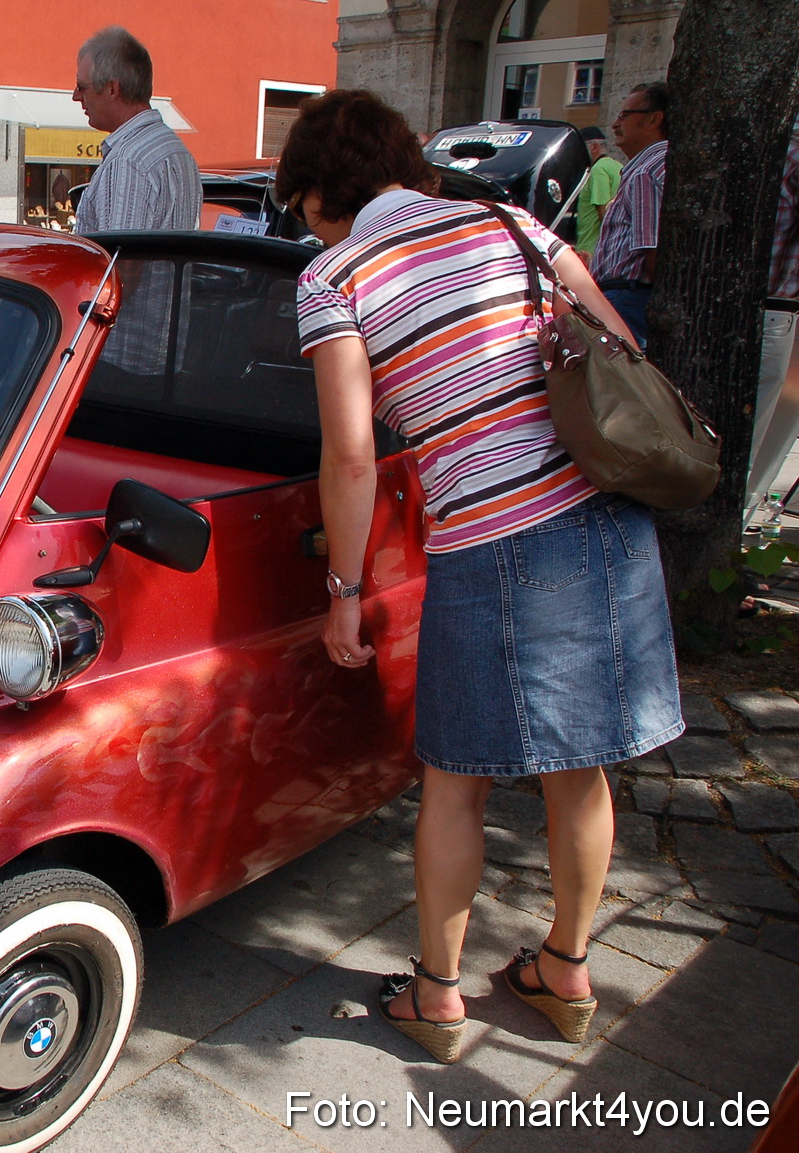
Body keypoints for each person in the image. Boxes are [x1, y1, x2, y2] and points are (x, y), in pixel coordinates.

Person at [279, 89, 681, 1065]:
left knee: (454, 780)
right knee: (578, 770)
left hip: (495, 541)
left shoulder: (336, 275)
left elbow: (350, 453)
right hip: (606, 519)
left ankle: (439, 996)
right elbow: (618, 351)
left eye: (302, 205)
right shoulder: (515, 224)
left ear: (323, 193)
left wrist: (343, 589)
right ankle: (566, 972)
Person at [70, 26, 199, 233]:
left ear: (112, 89)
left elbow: (121, 262)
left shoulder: (127, 161)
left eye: (81, 87)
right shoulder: (178, 150)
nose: (76, 96)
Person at [745, 112, 799, 524]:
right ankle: (738, 522)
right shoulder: (791, 150)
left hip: (776, 307)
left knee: (766, 428)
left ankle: (741, 518)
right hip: (778, 308)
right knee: (760, 435)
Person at [593, 82, 670, 346]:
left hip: (629, 299)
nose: (616, 124)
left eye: (625, 114)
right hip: (624, 297)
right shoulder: (646, 167)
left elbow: (652, 248)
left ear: (654, 119)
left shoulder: (646, 172)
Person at [573, 126, 622, 267]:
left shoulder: (598, 169)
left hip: (591, 251)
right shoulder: (618, 166)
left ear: (594, 147)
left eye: (580, 149)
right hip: (611, 250)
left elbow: (604, 213)